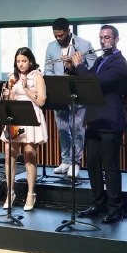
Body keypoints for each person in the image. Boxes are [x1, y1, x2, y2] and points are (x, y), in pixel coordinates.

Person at [69, 25, 127, 224]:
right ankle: (98, 203)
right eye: (101, 38)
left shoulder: (119, 64)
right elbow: (84, 81)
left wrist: (79, 66)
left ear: (116, 40)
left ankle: (115, 208)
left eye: (107, 38)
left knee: (110, 167)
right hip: (94, 119)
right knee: (93, 164)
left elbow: (94, 83)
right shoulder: (102, 60)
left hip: (110, 121)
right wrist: (72, 69)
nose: (104, 41)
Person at [44, 18, 97, 178]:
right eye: (55, 35)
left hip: (78, 93)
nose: (58, 38)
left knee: (77, 129)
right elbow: (48, 69)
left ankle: (75, 162)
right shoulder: (51, 47)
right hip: (60, 94)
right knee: (62, 128)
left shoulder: (85, 45)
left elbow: (93, 70)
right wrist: (55, 88)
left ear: (68, 31)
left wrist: (74, 66)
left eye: (61, 35)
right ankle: (66, 160)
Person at [0, 47, 48, 211]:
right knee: (9, 155)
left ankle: (30, 193)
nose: (21, 64)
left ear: (31, 61)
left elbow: (41, 101)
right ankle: (10, 192)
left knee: (29, 156)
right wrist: (7, 94)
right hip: (15, 117)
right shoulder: (12, 77)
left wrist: (27, 88)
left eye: (24, 61)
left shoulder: (37, 76)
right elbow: (11, 100)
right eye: (18, 61)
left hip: (30, 115)